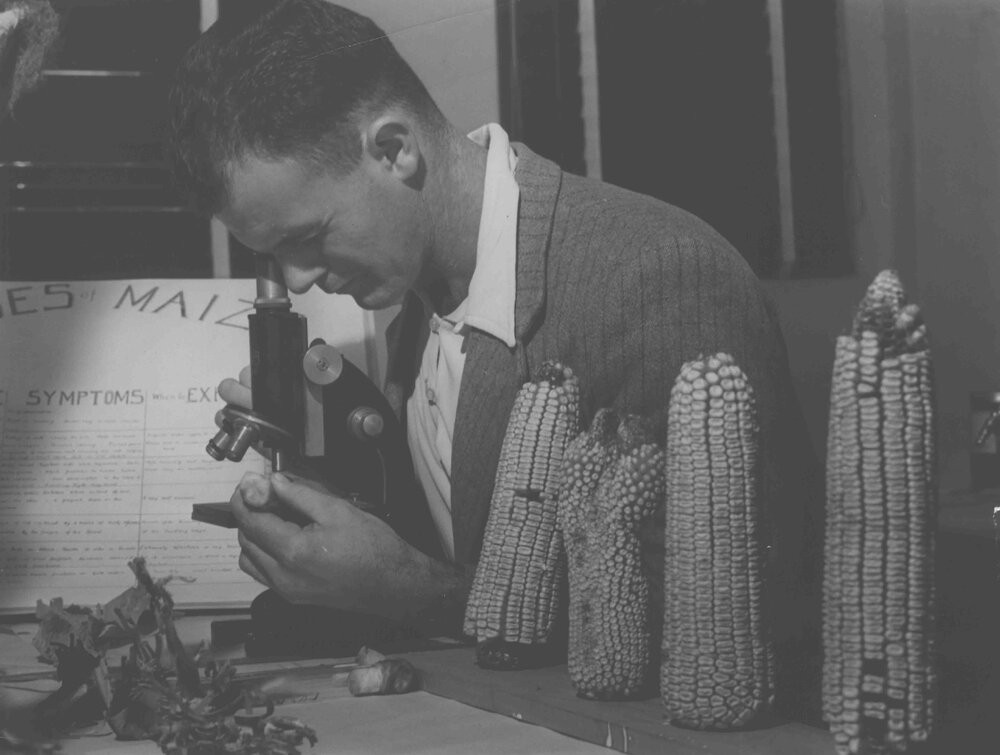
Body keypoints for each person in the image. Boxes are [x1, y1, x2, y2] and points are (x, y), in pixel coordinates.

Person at [168, 0, 823, 717]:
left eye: (308, 237)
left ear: (394, 150)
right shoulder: (408, 296)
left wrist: (405, 588)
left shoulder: (662, 276)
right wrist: (338, 485)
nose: (296, 279)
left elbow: (722, 616)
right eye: (272, 253)